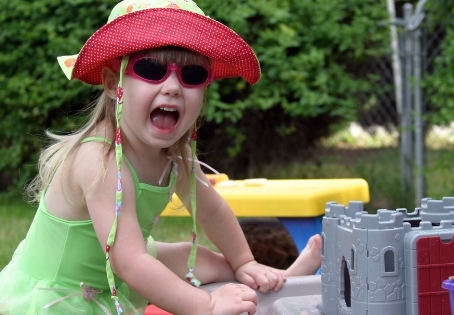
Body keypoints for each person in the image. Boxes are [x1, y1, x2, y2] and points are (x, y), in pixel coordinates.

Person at [0, 1, 321, 314]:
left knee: (200, 258)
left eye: (192, 75)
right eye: (151, 70)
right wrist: (205, 306)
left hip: (124, 255)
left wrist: (244, 261)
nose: (173, 87)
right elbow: (129, 262)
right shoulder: (99, 160)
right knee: (154, 265)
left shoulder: (175, 157)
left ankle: (283, 281)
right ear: (114, 85)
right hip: (64, 290)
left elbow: (213, 211)